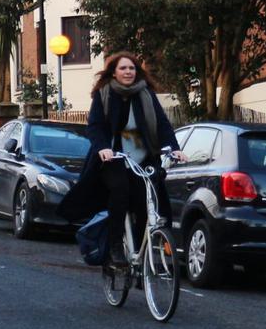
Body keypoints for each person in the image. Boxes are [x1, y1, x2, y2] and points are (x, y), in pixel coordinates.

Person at [57, 52, 188, 265]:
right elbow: (95, 126)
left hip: (143, 158)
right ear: (114, 72)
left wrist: (174, 147)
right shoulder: (104, 93)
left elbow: (162, 124)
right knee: (120, 190)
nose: (128, 72)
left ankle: (138, 252)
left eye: (132, 68)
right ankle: (116, 244)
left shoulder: (145, 93)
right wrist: (102, 148)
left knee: (146, 201)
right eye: (123, 68)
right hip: (114, 158)